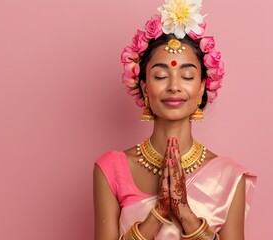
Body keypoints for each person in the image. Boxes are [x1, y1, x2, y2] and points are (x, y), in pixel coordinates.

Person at [93, 0, 257, 239]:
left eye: (187, 76)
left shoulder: (229, 177)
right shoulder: (111, 169)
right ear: (145, 87)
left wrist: (184, 213)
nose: (174, 86)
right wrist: (158, 212)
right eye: (160, 75)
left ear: (201, 87)